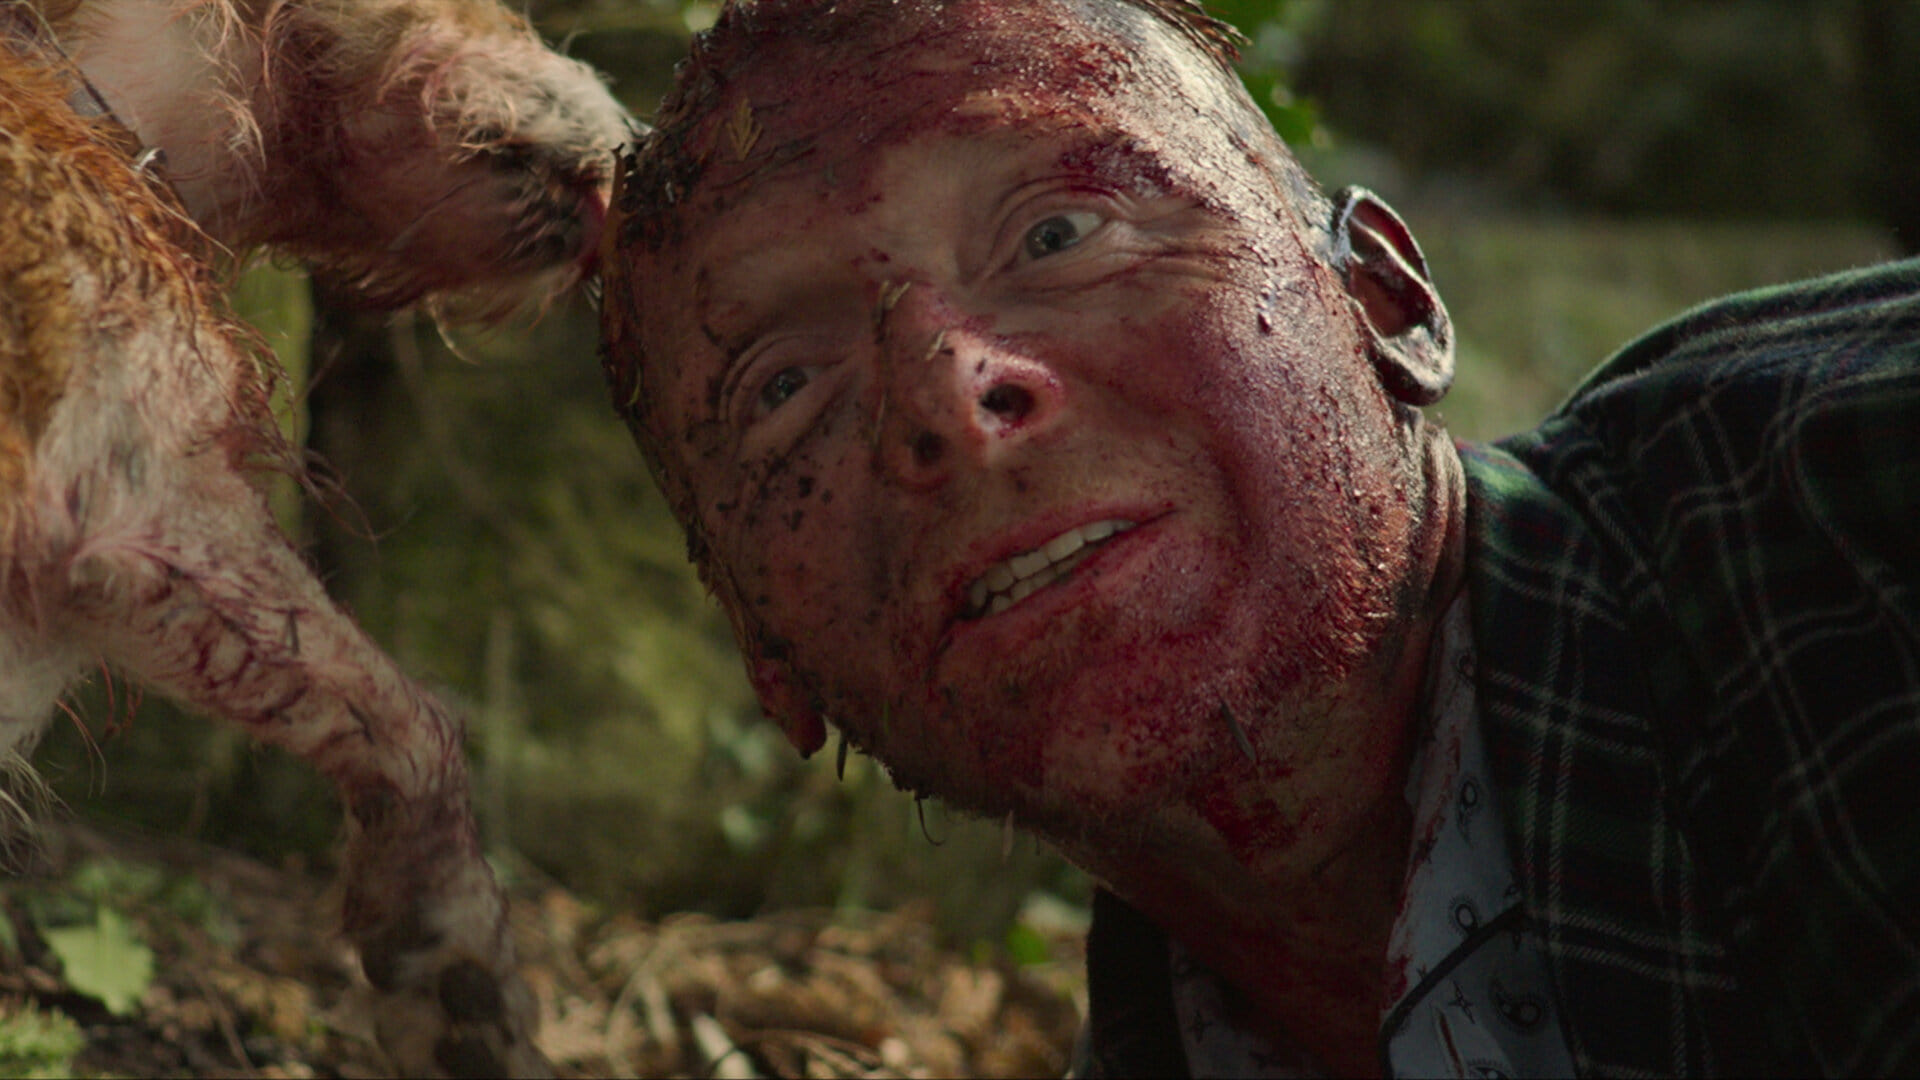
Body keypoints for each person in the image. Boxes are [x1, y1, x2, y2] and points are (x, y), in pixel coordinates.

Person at [596, 1, 1920, 1075]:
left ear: (1383, 298)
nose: (947, 393)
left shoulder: (1862, 506)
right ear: (765, 654)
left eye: (1059, 232)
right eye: (783, 386)